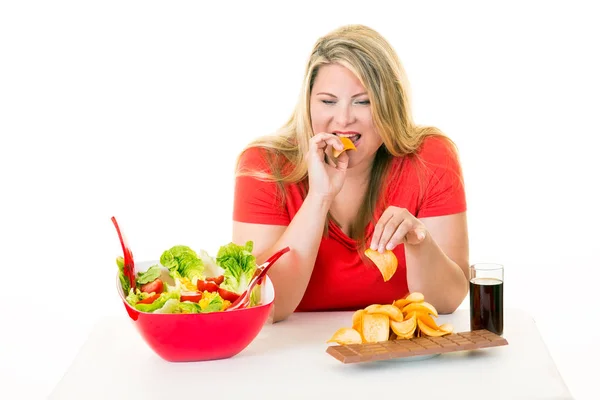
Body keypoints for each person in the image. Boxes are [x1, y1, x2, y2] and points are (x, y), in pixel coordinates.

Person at [231, 24, 469, 323]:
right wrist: (319, 197)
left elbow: (446, 303)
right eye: (328, 101)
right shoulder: (264, 166)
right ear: (308, 104)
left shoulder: (431, 158)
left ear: (389, 104)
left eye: (363, 101)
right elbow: (268, 307)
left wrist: (419, 241)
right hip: (289, 357)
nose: (343, 119)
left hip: (397, 357)